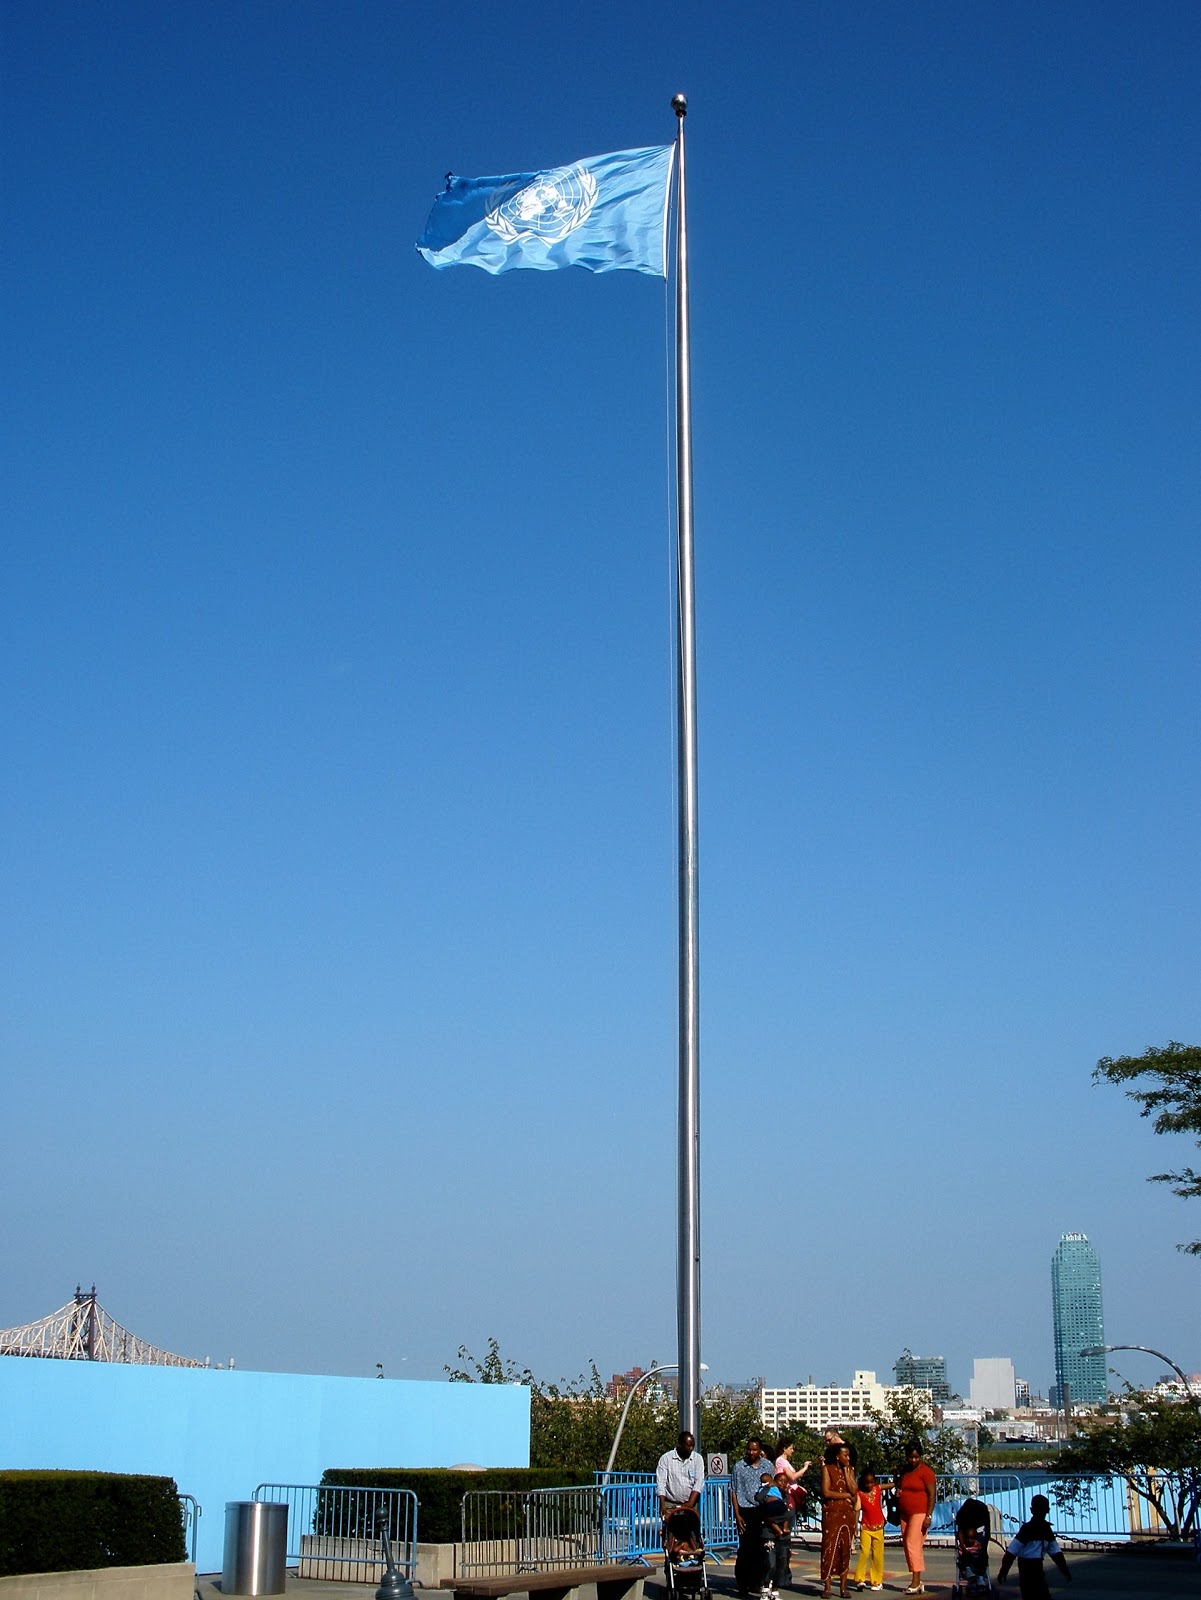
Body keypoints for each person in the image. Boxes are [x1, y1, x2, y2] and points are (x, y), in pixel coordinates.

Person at [997, 1495, 1072, 1599]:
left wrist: (1004, 1570)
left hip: (1026, 1568)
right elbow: (1056, 1553)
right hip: (1033, 1568)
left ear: (1031, 1510)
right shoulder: (1045, 1529)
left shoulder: (1028, 1529)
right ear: (1048, 1510)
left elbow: (1012, 1552)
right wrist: (1065, 1571)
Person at [731, 1436, 774, 1597]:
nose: (751, 1452)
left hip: (761, 1510)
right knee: (745, 1549)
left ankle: (757, 1583)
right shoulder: (739, 1466)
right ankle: (742, 1584)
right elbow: (734, 1491)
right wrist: (737, 1515)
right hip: (745, 1510)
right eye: (749, 1449)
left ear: (760, 1451)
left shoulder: (767, 1466)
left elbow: (772, 1488)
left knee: (760, 1549)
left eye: (754, 1449)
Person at [894, 1440, 936, 1596]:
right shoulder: (904, 1471)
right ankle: (916, 1578)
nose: (913, 1460)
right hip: (904, 1513)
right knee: (907, 1545)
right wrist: (898, 1494)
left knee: (913, 1544)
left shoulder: (926, 1472)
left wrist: (929, 1515)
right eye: (910, 1457)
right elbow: (901, 1487)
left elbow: (932, 1494)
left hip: (920, 1512)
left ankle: (916, 1580)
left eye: (916, 1457)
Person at [656, 1430, 705, 1552]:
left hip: (691, 1502)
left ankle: (694, 1549)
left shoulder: (697, 1459)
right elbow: (661, 1482)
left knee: (691, 1529)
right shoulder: (666, 1459)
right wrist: (662, 1505)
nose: (691, 1448)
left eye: (692, 1446)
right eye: (688, 1446)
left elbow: (699, 1482)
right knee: (672, 1530)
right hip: (670, 1502)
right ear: (679, 1445)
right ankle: (672, 1552)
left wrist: (690, 1503)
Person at [820, 1442, 858, 1598]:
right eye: (845, 1455)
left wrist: (847, 1471)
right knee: (829, 1549)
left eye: (849, 1455)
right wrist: (846, 1496)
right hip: (832, 1513)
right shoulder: (827, 1469)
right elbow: (827, 1492)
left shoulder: (849, 1470)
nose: (847, 1458)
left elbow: (854, 1490)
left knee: (845, 1550)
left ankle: (843, 1587)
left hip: (847, 1514)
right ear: (837, 1456)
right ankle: (827, 1587)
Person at [754, 1471, 793, 1598]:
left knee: (781, 1563)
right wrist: (768, 1487)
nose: (783, 1483)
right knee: (770, 1563)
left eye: (785, 1481)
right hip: (769, 1533)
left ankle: (775, 1589)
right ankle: (765, 1588)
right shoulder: (768, 1492)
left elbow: (789, 1513)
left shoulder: (785, 1496)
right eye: (780, 1481)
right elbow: (759, 1500)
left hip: (784, 1537)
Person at [851, 1468, 889, 1592]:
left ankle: (877, 1581)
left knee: (878, 1555)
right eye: (867, 1483)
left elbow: (890, 1485)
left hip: (879, 1527)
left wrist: (897, 1479)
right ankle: (860, 1579)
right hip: (866, 1527)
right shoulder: (859, 1493)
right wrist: (855, 1526)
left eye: (872, 1482)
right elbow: (857, 1510)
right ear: (863, 1482)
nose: (869, 1485)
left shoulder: (877, 1489)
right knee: (864, 1553)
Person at [774, 1436, 812, 1516]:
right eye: (791, 1448)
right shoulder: (781, 1461)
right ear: (784, 1449)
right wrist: (805, 1468)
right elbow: (792, 1477)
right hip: (789, 1493)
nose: (792, 1451)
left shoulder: (785, 1461)